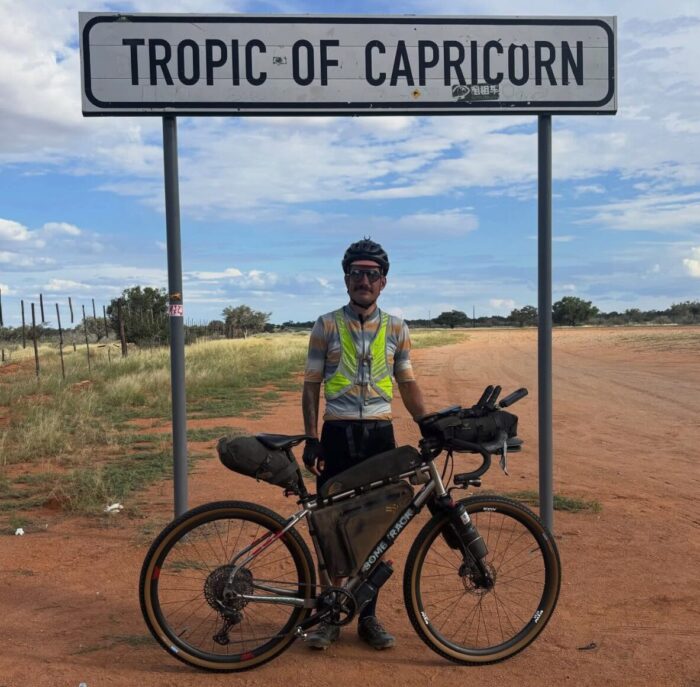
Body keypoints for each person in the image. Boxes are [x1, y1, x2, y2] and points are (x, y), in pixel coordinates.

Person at [301, 238, 427, 650]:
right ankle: (327, 617)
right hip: (337, 435)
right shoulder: (325, 325)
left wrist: (427, 425)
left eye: (372, 274)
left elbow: (406, 383)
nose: (364, 281)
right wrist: (312, 439)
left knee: (379, 528)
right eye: (357, 273)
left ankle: (368, 616)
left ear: (383, 282)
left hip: (378, 436)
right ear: (346, 279)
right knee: (328, 526)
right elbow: (311, 387)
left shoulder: (396, 328)